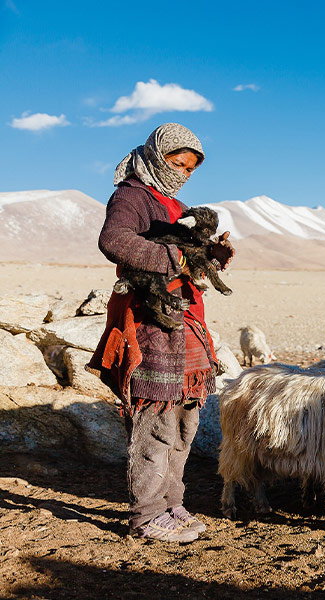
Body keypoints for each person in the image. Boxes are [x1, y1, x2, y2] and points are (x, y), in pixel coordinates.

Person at [88, 123, 234, 542]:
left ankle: (172, 503)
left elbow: (189, 259)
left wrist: (212, 256)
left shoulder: (175, 204)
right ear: (156, 154)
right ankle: (147, 515)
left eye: (191, 167)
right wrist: (176, 260)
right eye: (178, 162)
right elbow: (113, 240)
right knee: (157, 420)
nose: (184, 172)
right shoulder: (131, 196)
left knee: (186, 420)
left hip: (186, 319)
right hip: (151, 319)